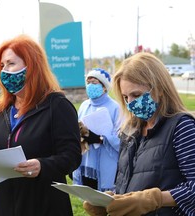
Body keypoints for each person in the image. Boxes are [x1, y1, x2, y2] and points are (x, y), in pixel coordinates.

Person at [0, 35, 82, 216]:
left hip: (43, 205)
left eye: (11, 63)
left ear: (32, 65)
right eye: (2, 65)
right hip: (1, 206)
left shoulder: (57, 106)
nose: (5, 71)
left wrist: (42, 166)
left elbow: (72, 157)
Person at [83, 52, 195, 216]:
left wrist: (153, 199)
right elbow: (128, 183)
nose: (130, 103)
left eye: (136, 95)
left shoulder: (182, 127)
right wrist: (113, 201)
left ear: (159, 88)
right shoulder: (129, 132)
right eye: (125, 97)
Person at [72, 68, 120, 191]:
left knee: (106, 201)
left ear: (104, 87)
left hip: (106, 161)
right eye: (88, 83)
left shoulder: (115, 107)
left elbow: (121, 139)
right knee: (89, 200)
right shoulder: (84, 105)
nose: (90, 86)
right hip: (87, 162)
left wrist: (100, 139)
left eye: (94, 83)